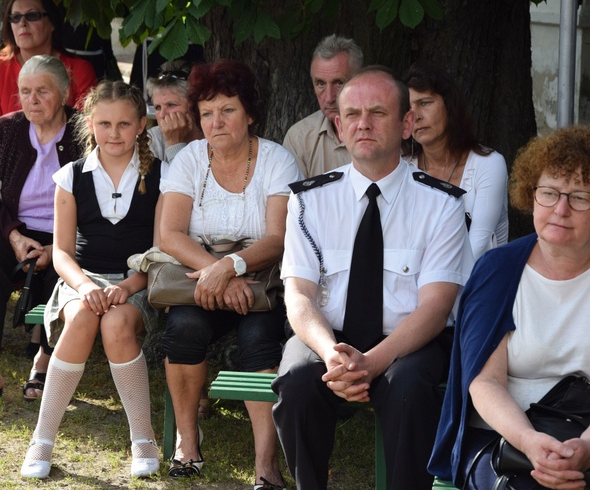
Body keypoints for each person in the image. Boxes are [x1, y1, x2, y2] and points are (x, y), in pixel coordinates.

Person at [272, 66, 472, 489]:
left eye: (378, 113)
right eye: (353, 114)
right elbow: (299, 295)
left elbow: (436, 307)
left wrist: (372, 363)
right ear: (339, 127)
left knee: (409, 388)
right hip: (331, 338)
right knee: (296, 381)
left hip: (407, 341)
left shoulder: (441, 205)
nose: (363, 123)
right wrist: (331, 355)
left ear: (406, 125)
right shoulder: (309, 201)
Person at [159, 59, 301, 489]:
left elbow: (278, 238)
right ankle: (187, 443)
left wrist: (234, 266)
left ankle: (265, 463)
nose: (215, 122)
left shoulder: (278, 160)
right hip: (200, 280)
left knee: (259, 341)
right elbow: (169, 234)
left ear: (250, 113)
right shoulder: (187, 159)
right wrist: (217, 272)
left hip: (261, 281)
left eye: (227, 110)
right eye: (206, 113)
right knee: (182, 330)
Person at [429, 125, 590, 489]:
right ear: (531, 195)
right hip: (504, 439)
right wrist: (531, 443)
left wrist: (583, 447)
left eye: (580, 197)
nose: (561, 209)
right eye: (549, 193)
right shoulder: (498, 271)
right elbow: (484, 382)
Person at [20, 81, 161, 479]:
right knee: (82, 315)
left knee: (117, 323)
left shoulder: (162, 176)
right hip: (84, 280)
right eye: (104, 123)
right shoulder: (71, 176)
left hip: (139, 280)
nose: (113, 133)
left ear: (140, 126)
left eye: (123, 124)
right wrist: (85, 286)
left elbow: (163, 247)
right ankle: (42, 439)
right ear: (89, 124)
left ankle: (143, 438)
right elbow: (61, 252)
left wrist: (129, 286)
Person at [0, 55, 83, 406]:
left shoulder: (85, 132)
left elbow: (98, 198)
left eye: (43, 91)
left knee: (65, 268)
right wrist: (13, 236)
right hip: (13, 226)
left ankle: (44, 361)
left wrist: (57, 247)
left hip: (69, 229)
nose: (32, 100)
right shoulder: (6, 130)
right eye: (25, 91)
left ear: (65, 93)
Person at [404, 60, 509, 260]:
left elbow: (478, 245)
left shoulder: (488, 164)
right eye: (408, 109)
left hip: (478, 284)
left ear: (450, 107)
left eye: (425, 103)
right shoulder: (403, 167)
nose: (416, 116)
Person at [0, 0, 97, 151]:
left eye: (32, 16)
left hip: (67, 166)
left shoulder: (79, 69)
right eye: (15, 17)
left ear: (52, 23)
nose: (22, 23)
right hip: (9, 168)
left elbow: (87, 133)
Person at [282, 34, 363, 178]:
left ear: (361, 80)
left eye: (339, 83)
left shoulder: (384, 131)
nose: (329, 97)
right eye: (320, 84)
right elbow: (297, 199)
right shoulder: (299, 138)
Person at [146, 60, 203, 166]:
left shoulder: (212, 137)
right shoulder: (151, 139)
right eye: (158, 107)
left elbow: (185, 181)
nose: (162, 115)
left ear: (193, 106)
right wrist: (174, 143)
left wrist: (174, 144)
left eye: (171, 105)